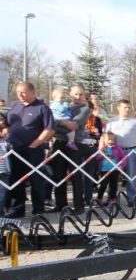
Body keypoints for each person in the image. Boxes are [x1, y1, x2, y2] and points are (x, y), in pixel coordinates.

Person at [5, 82, 54, 218]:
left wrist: (35, 144)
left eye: (24, 92)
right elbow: (9, 125)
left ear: (33, 92)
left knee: (35, 180)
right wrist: (5, 131)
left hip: (33, 150)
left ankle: (38, 209)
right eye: (18, 92)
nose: (20, 95)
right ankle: (17, 209)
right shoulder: (15, 106)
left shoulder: (42, 108)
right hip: (15, 149)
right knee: (16, 180)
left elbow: (49, 129)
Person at [51, 84, 91, 212]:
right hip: (59, 143)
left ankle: (78, 206)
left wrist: (58, 124)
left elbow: (74, 125)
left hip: (75, 144)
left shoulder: (85, 109)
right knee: (59, 175)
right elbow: (51, 122)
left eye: (81, 94)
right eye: (75, 94)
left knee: (75, 176)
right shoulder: (63, 106)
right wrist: (62, 123)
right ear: (70, 94)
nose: (78, 97)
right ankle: (60, 204)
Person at [106, 100, 136, 205]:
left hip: (130, 152)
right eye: (125, 107)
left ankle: (131, 199)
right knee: (113, 177)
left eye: (128, 107)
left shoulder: (135, 121)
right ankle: (111, 198)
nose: (127, 109)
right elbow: (105, 136)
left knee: (131, 176)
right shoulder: (111, 121)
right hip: (114, 152)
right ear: (118, 108)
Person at [81, 101, 104, 206]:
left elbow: (101, 135)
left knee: (89, 175)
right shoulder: (78, 118)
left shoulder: (97, 119)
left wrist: (97, 133)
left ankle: (88, 198)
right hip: (79, 148)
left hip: (92, 148)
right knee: (79, 175)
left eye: (90, 110)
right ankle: (78, 198)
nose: (88, 112)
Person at [96, 132, 127, 205]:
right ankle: (99, 198)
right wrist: (102, 155)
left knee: (113, 185)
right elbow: (97, 157)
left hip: (115, 170)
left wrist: (121, 165)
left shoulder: (117, 148)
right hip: (104, 170)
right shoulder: (102, 148)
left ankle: (112, 199)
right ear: (104, 140)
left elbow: (123, 158)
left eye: (113, 140)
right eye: (109, 140)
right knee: (103, 184)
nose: (111, 141)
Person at [0, 114, 10, 216]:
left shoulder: (5, 141)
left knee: (2, 192)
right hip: (4, 170)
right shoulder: (5, 142)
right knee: (2, 193)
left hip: (4, 170)